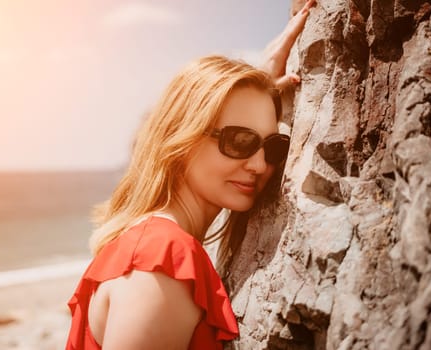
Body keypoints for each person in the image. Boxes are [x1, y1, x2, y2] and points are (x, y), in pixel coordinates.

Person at [66, 1, 316, 349]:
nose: (260, 166)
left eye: (272, 147)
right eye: (240, 141)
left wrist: (257, 92)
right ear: (183, 139)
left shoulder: (146, 245)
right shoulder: (163, 260)